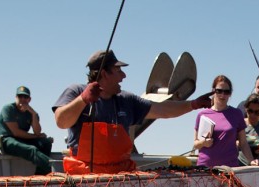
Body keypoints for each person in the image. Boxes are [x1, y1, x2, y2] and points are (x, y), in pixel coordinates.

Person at [53, 50, 213, 175]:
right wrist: (83, 100)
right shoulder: (75, 91)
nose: (124, 76)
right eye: (118, 71)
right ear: (104, 74)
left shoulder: (126, 100)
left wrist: (192, 104)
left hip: (119, 177)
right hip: (85, 178)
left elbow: (163, 110)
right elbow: (61, 121)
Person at [193, 75, 259, 168]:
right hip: (205, 169)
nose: (222, 95)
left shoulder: (237, 114)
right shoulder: (202, 115)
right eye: (219, 91)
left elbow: (243, 143)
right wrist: (203, 143)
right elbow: (195, 144)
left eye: (226, 92)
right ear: (213, 91)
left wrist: (251, 161)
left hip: (229, 169)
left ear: (230, 94)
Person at [0, 86, 53, 175]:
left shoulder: (31, 112)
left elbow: (37, 132)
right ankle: (54, 168)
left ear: (29, 99)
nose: (22, 99)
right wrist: (36, 136)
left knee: (45, 142)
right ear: (16, 97)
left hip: (23, 140)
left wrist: (33, 114)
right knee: (32, 149)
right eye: (20, 96)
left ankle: (40, 174)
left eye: (25, 97)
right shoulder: (8, 109)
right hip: (8, 141)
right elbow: (16, 132)